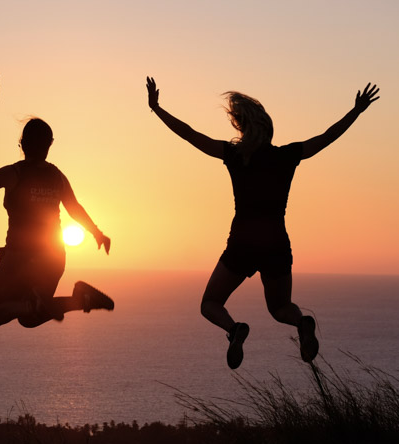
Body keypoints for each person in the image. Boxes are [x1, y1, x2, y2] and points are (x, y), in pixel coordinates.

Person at [146, 77, 380, 368]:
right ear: (269, 129)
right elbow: (327, 137)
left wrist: (157, 108)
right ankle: (302, 322)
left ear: (241, 127)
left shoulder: (234, 155)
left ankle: (234, 330)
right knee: (281, 307)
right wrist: (355, 111)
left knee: (210, 304)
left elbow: (190, 135)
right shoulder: (287, 156)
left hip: (242, 242)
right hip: (276, 242)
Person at [0, 118, 114, 329]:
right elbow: (75, 209)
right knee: (30, 318)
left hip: (20, 258)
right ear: (49, 145)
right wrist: (97, 233)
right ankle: (79, 299)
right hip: (53, 259)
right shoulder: (57, 176)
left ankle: (34, 304)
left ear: (22, 144)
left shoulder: (13, 173)